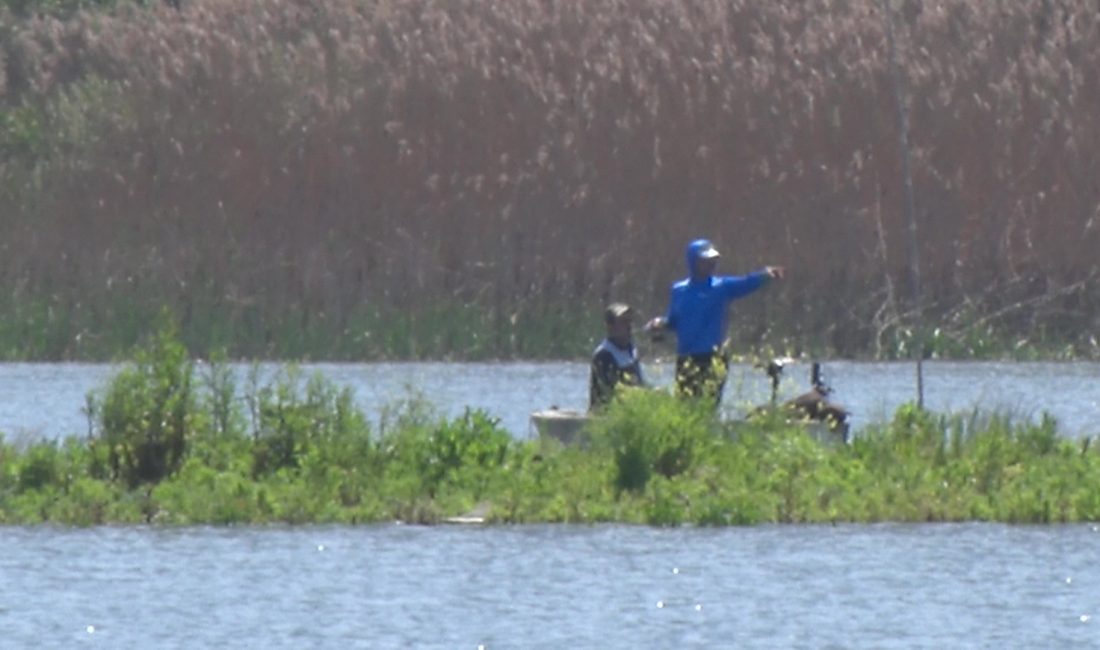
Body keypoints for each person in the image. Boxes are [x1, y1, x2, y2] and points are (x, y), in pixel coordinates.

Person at [645, 238, 784, 405]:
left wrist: (765, 275)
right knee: (684, 406)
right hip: (686, 358)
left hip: (712, 358)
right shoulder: (678, 290)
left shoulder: (721, 287)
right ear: (693, 262)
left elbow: (746, 283)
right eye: (705, 261)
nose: (711, 265)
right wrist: (660, 324)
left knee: (707, 406)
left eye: (713, 261)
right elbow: (675, 321)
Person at [589, 302, 645, 410]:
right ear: (610, 326)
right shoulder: (603, 355)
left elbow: (639, 383)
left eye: (630, 321)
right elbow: (609, 392)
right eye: (624, 322)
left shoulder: (632, 350)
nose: (629, 326)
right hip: (605, 414)